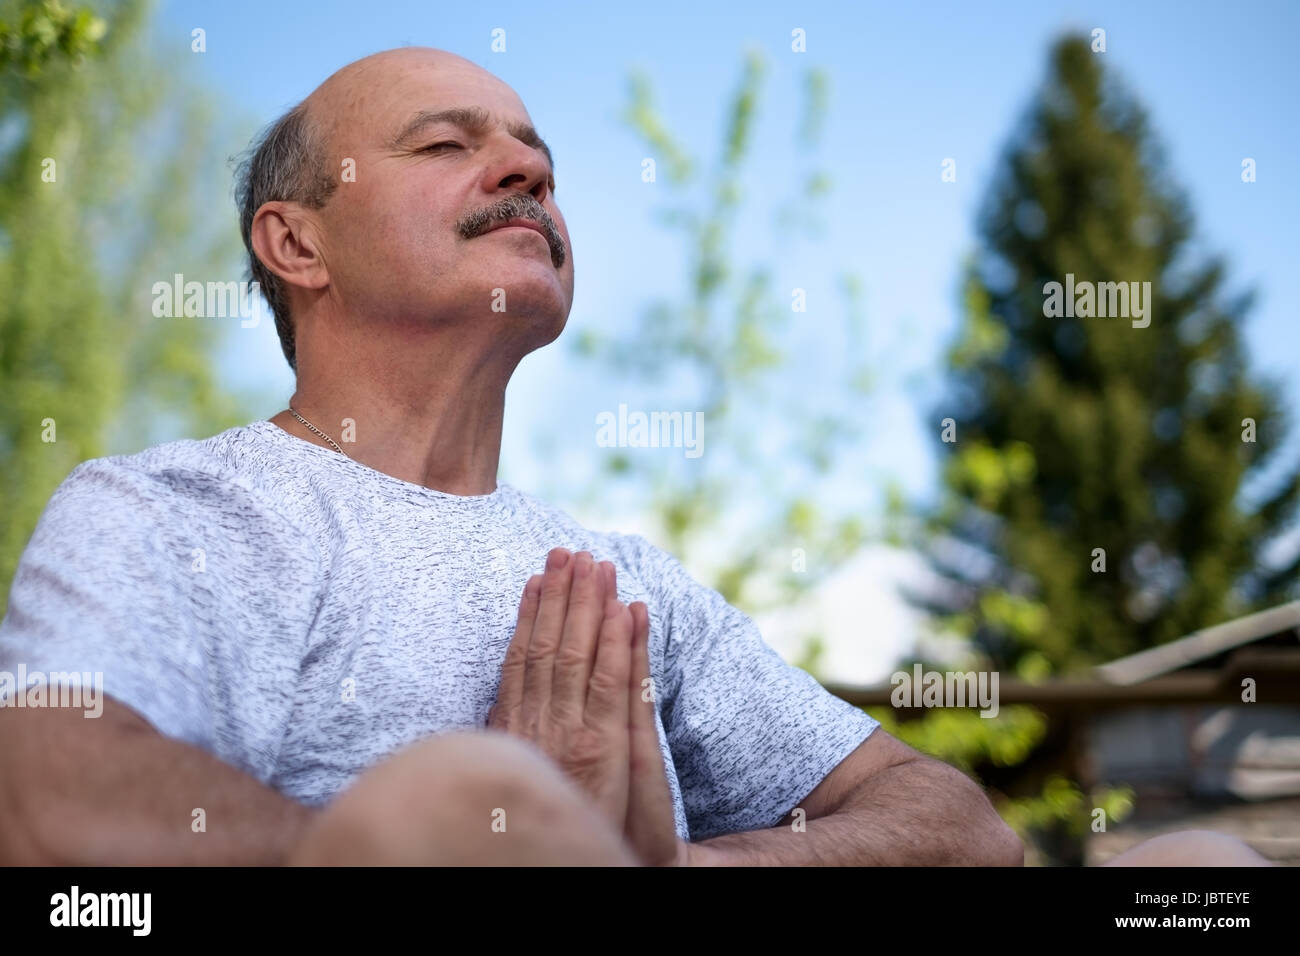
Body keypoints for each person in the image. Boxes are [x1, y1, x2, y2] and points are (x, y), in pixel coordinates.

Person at [0, 48, 1253, 867]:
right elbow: (48, 798)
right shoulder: (169, 514)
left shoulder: (621, 578)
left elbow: (959, 828)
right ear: (297, 242)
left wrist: (673, 866)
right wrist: (489, 836)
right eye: (446, 145)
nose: (528, 169)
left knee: (1205, 871)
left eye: (533, 150)